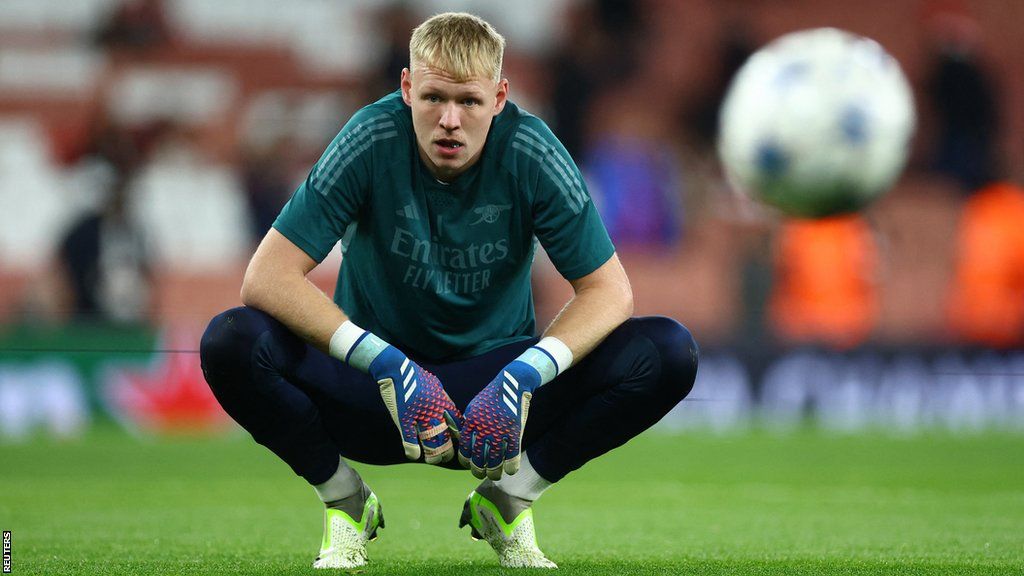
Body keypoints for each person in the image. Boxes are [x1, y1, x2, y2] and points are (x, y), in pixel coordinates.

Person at [199, 12, 698, 570]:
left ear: (501, 98)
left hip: (499, 399)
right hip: (375, 389)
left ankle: (511, 499)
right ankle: (344, 500)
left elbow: (609, 292)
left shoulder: (531, 150)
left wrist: (523, 376)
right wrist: (388, 365)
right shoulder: (370, 136)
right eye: (434, 98)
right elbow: (265, 277)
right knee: (231, 340)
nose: (450, 122)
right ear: (407, 88)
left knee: (668, 351)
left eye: (470, 102)